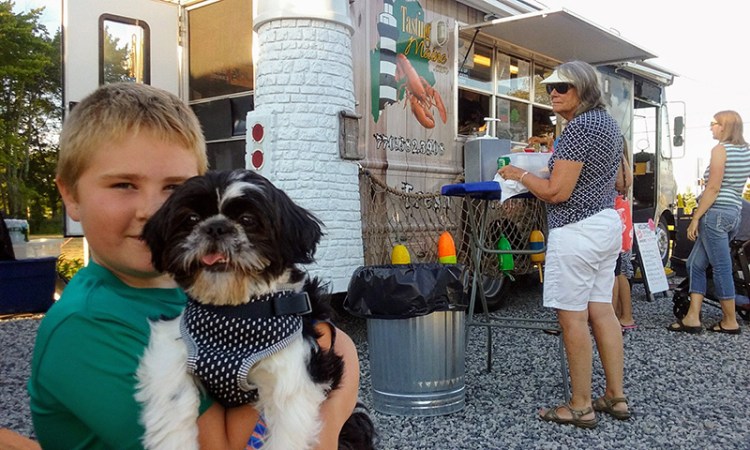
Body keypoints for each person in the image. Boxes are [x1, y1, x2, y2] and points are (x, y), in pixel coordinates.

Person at [27, 82, 361, 449]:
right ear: (71, 196)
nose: (152, 210)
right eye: (123, 184)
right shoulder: (85, 329)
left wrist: (328, 356)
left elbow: (332, 347)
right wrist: (328, 378)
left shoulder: (189, 297)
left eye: (174, 188)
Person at [498, 60, 630, 428]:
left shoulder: (578, 128)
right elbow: (616, 179)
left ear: (583, 90)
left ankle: (580, 405)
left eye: (563, 87)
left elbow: (557, 191)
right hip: (604, 225)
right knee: (602, 311)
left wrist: (519, 174)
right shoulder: (607, 124)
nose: (554, 93)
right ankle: (616, 397)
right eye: (550, 88)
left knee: (572, 318)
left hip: (576, 230)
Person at [668, 110, 750, 334]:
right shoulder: (746, 150)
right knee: (695, 264)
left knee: (721, 267)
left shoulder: (720, 150)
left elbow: (712, 188)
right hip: (734, 212)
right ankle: (692, 317)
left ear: (724, 126)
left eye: (713, 124)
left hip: (715, 214)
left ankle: (730, 321)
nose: (710, 127)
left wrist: (695, 218)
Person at [613, 141, 636, 331]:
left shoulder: (614, 160)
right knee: (621, 270)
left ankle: (618, 315)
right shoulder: (624, 161)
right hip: (623, 214)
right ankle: (624, 314)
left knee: (615, 270)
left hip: (615, 215)